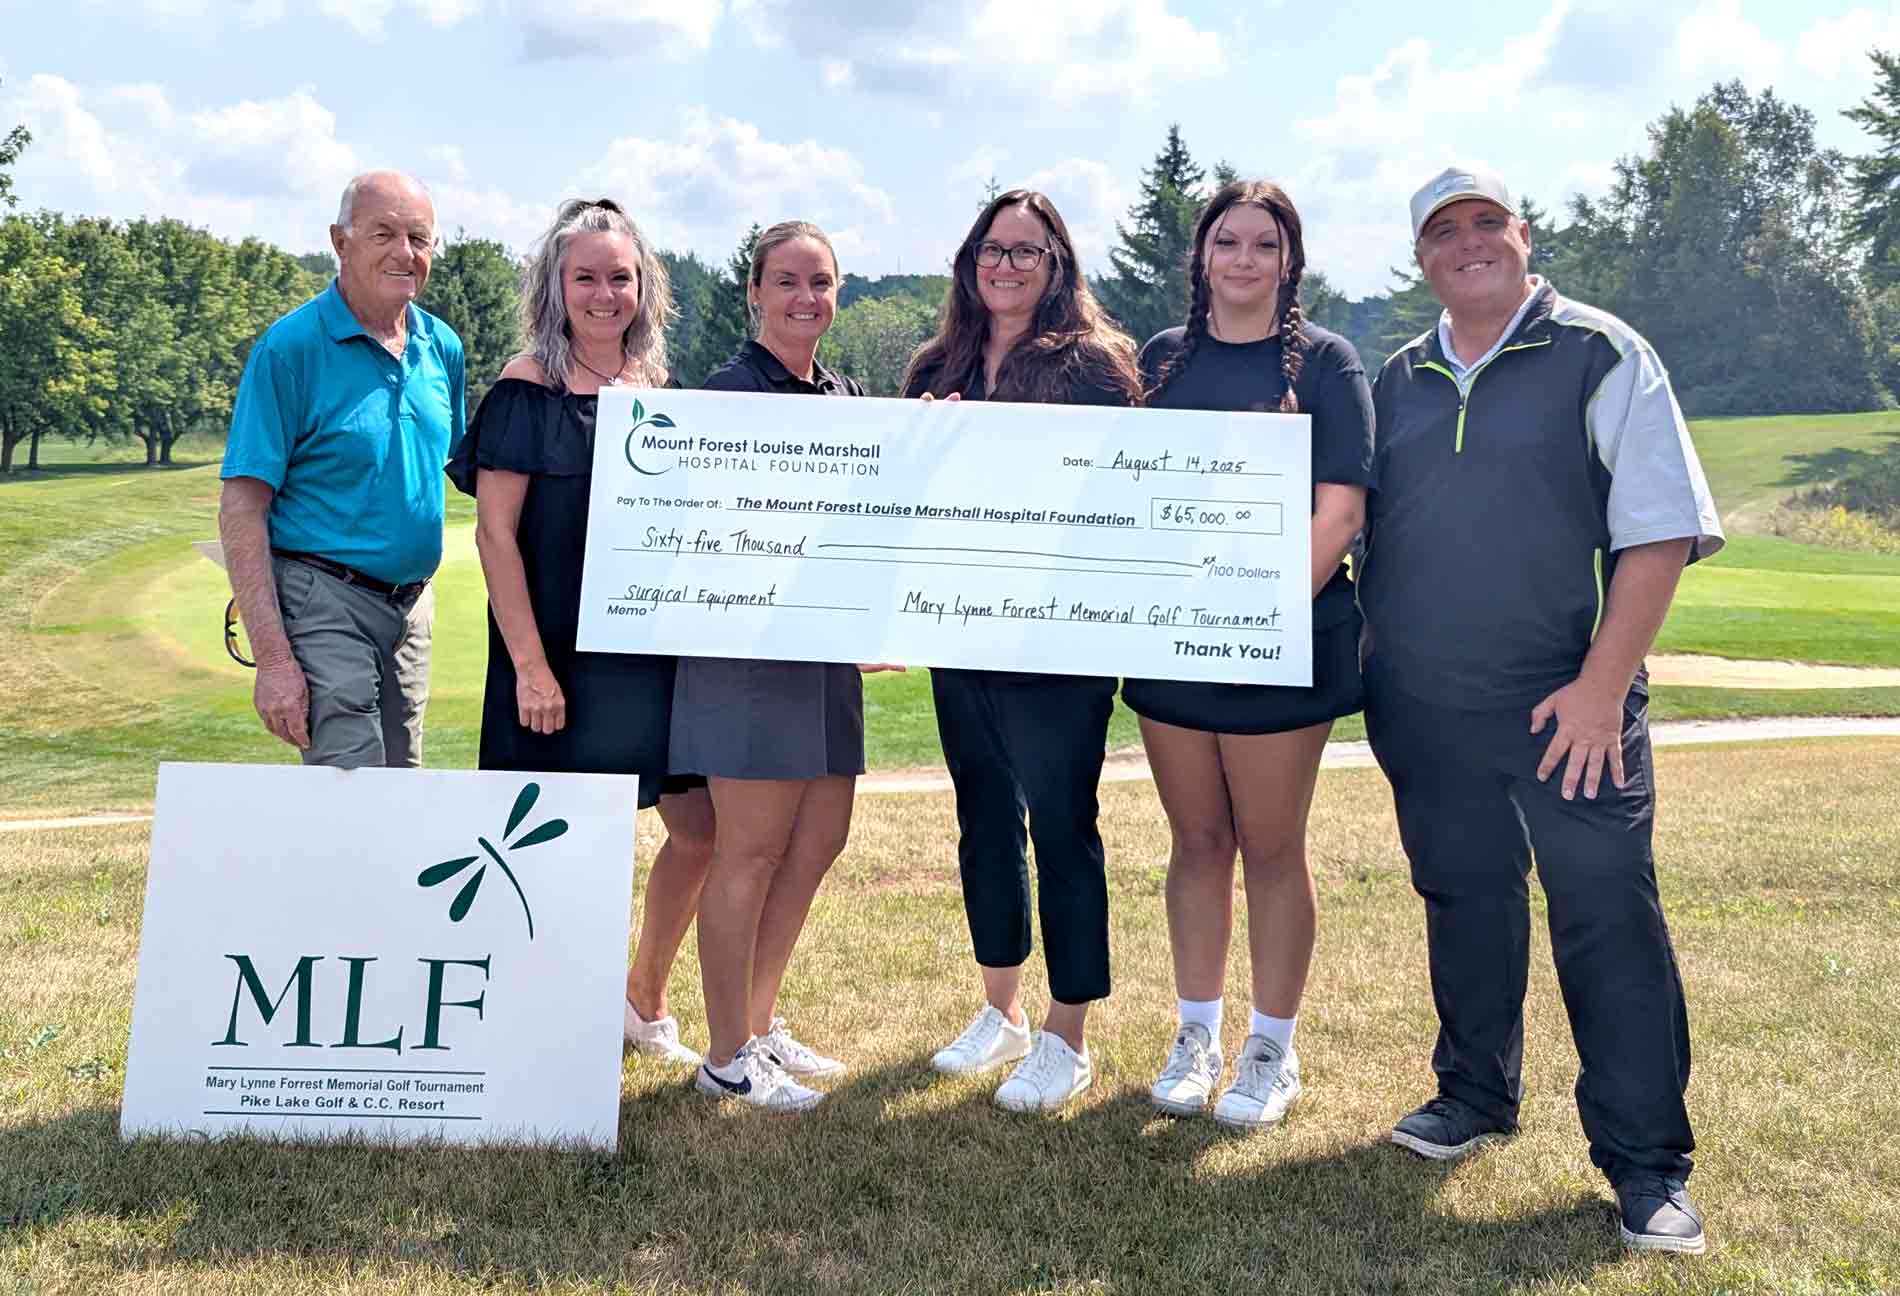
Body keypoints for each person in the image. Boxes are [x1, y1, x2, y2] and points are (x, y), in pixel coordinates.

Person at [1361, 164, 1723, 1254]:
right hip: (1428, 706)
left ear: (1521, 236)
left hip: (1570, 701)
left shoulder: (1600, 352)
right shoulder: (1397, 375)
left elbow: (1658, 531)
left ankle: (1644, 1161)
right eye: (1443, 231)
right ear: (1421, 257)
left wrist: (1602, 687)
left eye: (1486, 222)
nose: (1467, 243)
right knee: (1463, 898)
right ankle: (1473, 1095)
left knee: (1606, 916)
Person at [1120, 180, 1373, 1129]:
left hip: (1284, 642)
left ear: (1288, 261)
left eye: (1263, 245)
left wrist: (1253, 614)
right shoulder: (1163, 360)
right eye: (1226, 241)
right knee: (1195, 844)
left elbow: (1340, 512)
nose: (1242, 259)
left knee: (1270, 848)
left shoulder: (1329, 365)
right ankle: (1197, 1034)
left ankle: (1273, 1047)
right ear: (1202, 257)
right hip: (1174, 644)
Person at [445, 197, 715, 1067]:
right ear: (555, 286)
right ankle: (542, 1021)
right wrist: (529, 666)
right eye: (586, 277)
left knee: (700, 827)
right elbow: (494, 535)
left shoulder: (656, 396)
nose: (605, 293)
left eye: (620, 277)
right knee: (560, 845)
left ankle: (641, 1001)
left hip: (648, 655)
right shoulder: (527, 387)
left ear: (646, 288)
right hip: (552, 656)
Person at [901, 189, 1143, 1113]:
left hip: (1060, 641)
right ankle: (999, 1008)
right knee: (983, 820)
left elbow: (1123, 496)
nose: (1005, 267)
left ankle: (1067, 1032)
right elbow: (905, 498)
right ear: (970, 263)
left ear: (1057, 267)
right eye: (991, 251)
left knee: (1062, 827)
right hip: (961, 631)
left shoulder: (1095, 366)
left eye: (1026, 253)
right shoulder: (936, 365)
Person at [673, 220, 870, 1113]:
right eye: (787, 281)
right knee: (747, 852)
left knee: (818, 841)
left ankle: (757, 1021)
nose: (806, 298)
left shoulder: (845, 394)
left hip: (827, 654)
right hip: (745, 657)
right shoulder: (725, 395)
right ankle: (725, 1054)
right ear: (754, 292)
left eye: (821, 282)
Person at [219, 171, 465, 768]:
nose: (405, 253)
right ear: (340, 240)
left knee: (402, 780)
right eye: (383, 233)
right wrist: (274, 660)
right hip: (323, 596)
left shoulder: (442, 347)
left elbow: (464, 472)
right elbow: (242, 507)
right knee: (350, 783)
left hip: (412, 606)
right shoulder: (291, 348)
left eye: (419, 238)